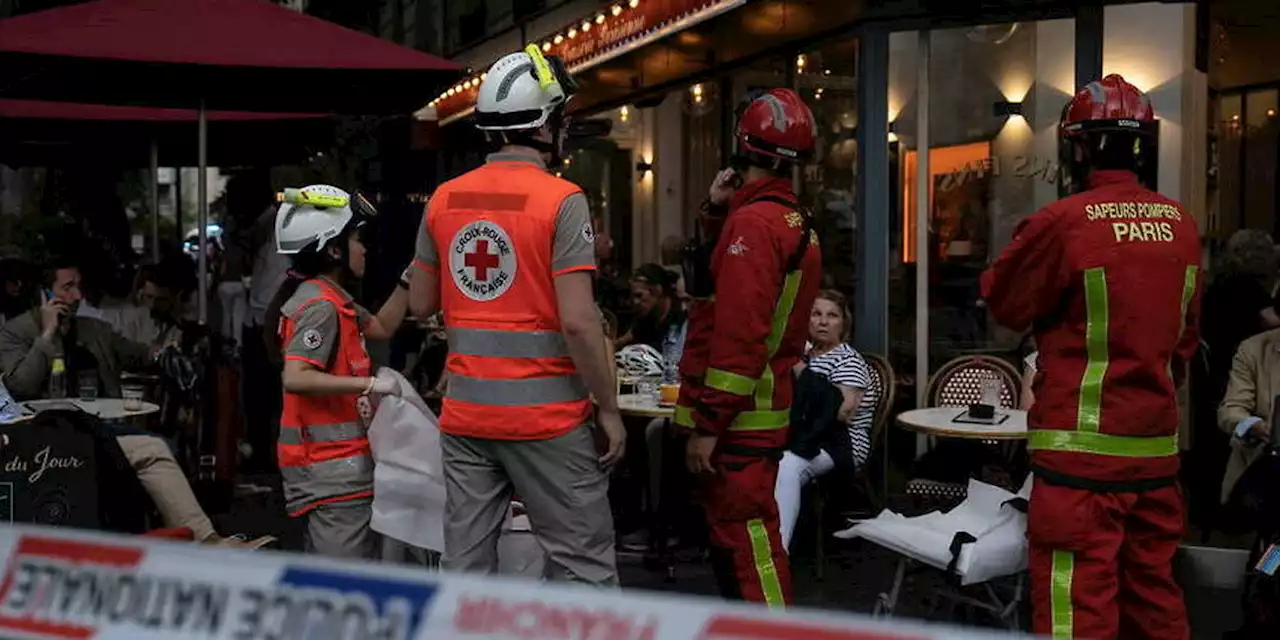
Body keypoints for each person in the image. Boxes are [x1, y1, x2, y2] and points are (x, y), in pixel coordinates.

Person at [981, 74, 1202, 640]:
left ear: (1076, 146)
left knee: (1075, 612)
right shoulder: (1181, 226)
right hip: (1155, 456)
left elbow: (1004, 303)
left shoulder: (1064, 222)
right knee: (1155, 601)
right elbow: (1183, 338)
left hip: (1078, 465)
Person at [408, 44, 622, 586]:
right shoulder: (563, 199)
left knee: (467, 568)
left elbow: (419, 305)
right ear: (546, 123)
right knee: (582, 567)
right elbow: (578, 321)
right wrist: (609, 408)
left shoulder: (444, 199)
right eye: (562, 118)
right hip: (547, 419)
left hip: (466, 415)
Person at [0, 258, 268, 548]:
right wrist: (47, 335)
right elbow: (20, 386)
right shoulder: (16, 332)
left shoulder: (93, 329)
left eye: (79, 287)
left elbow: (138, 352)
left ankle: (206, 541)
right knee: (150, 448)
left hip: (95, 427)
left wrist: (166, 355)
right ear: (45, 294)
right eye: (67, 288)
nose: (77, 296)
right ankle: (200, 542)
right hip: (42, 437)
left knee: (155, 444)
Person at [674, 88, 822, 607]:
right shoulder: (788, 220)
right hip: (758, 412)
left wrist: (708, 425)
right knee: (742, 545)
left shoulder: (755, 226)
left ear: (743, 147)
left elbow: (736, 334)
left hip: (739, 422)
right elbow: (727, 292)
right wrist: (717, 213)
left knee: (748, 548)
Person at [268, 184, 411, 560]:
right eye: (357, 240)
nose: (364, 249)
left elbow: (380, 327)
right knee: (341, 584)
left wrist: (412, 276)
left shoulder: (334, 299)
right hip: (332, 472)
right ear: (333, 249)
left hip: (338, 471)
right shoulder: (321, 307)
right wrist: (371, 384)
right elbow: (296, 376)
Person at [774, 290, 878, 550]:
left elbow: (840, 412)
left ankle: (779, 550)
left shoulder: (848, 360)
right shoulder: (808, 356)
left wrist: (798, 368)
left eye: (832, 316)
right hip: (806, 436)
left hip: (841, 444)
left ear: (843, 324)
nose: (822, 321)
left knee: (788, 465)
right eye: (816, 314)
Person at [617, 264, 685, 351]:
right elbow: (622, 341)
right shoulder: (644, 320)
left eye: (639, 295)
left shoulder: (681, 320)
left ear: (657, 290)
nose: (635, 302)